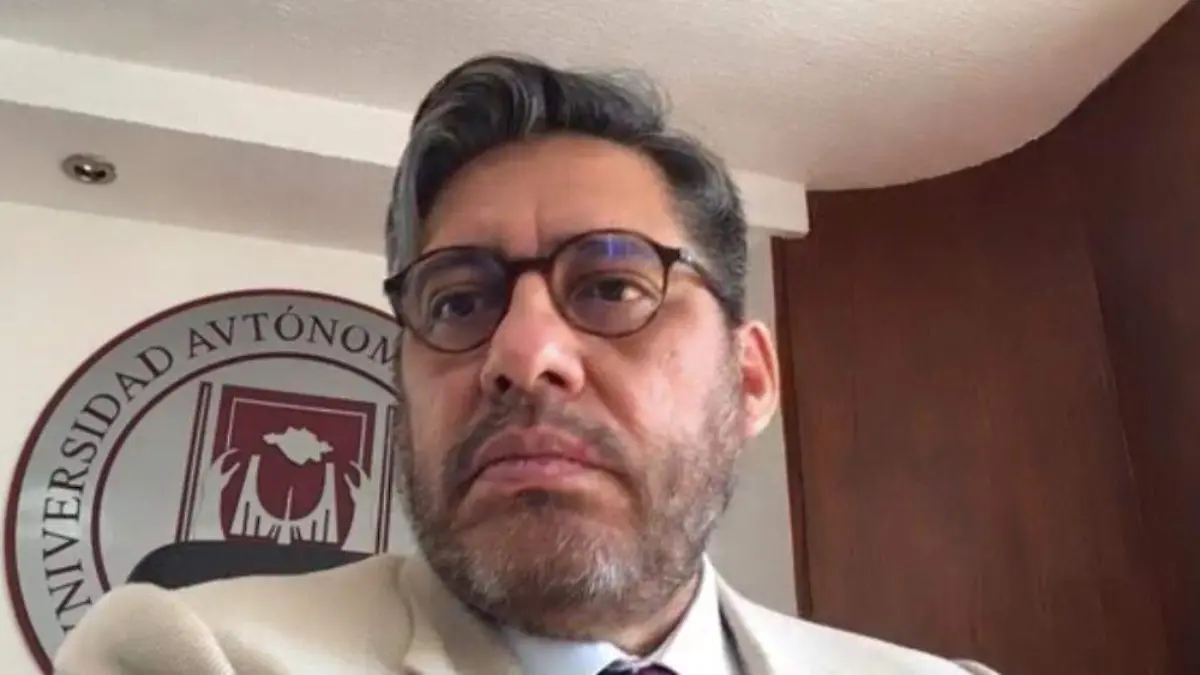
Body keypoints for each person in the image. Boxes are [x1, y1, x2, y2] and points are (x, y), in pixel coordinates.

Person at [55, 54, 999, 675]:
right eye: (457, 303)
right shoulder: (189, 656)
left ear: (749, 378)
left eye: (611, 286)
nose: (521, 353)